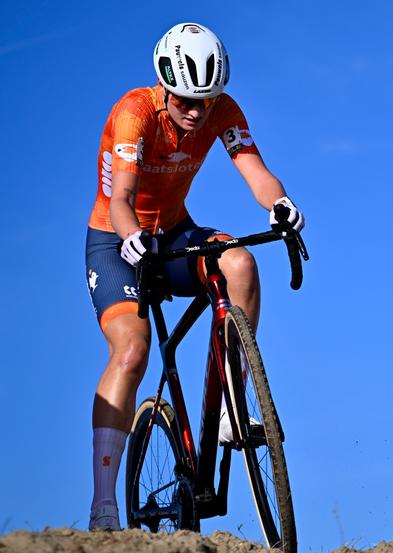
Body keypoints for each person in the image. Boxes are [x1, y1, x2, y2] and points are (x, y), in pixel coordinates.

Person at [84, 22, 304, 531]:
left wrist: (280, 203)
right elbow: (121, 200)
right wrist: (132, 236)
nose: (197, 111)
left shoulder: (222, 111)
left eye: (206, 101)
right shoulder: (135, 114)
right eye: (186, 100)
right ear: (165, 86)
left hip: (174, 232)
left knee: (240, 263)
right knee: (132, 352)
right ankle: (104, 505)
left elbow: (256, 172)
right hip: (116, 239)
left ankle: (229, 405)